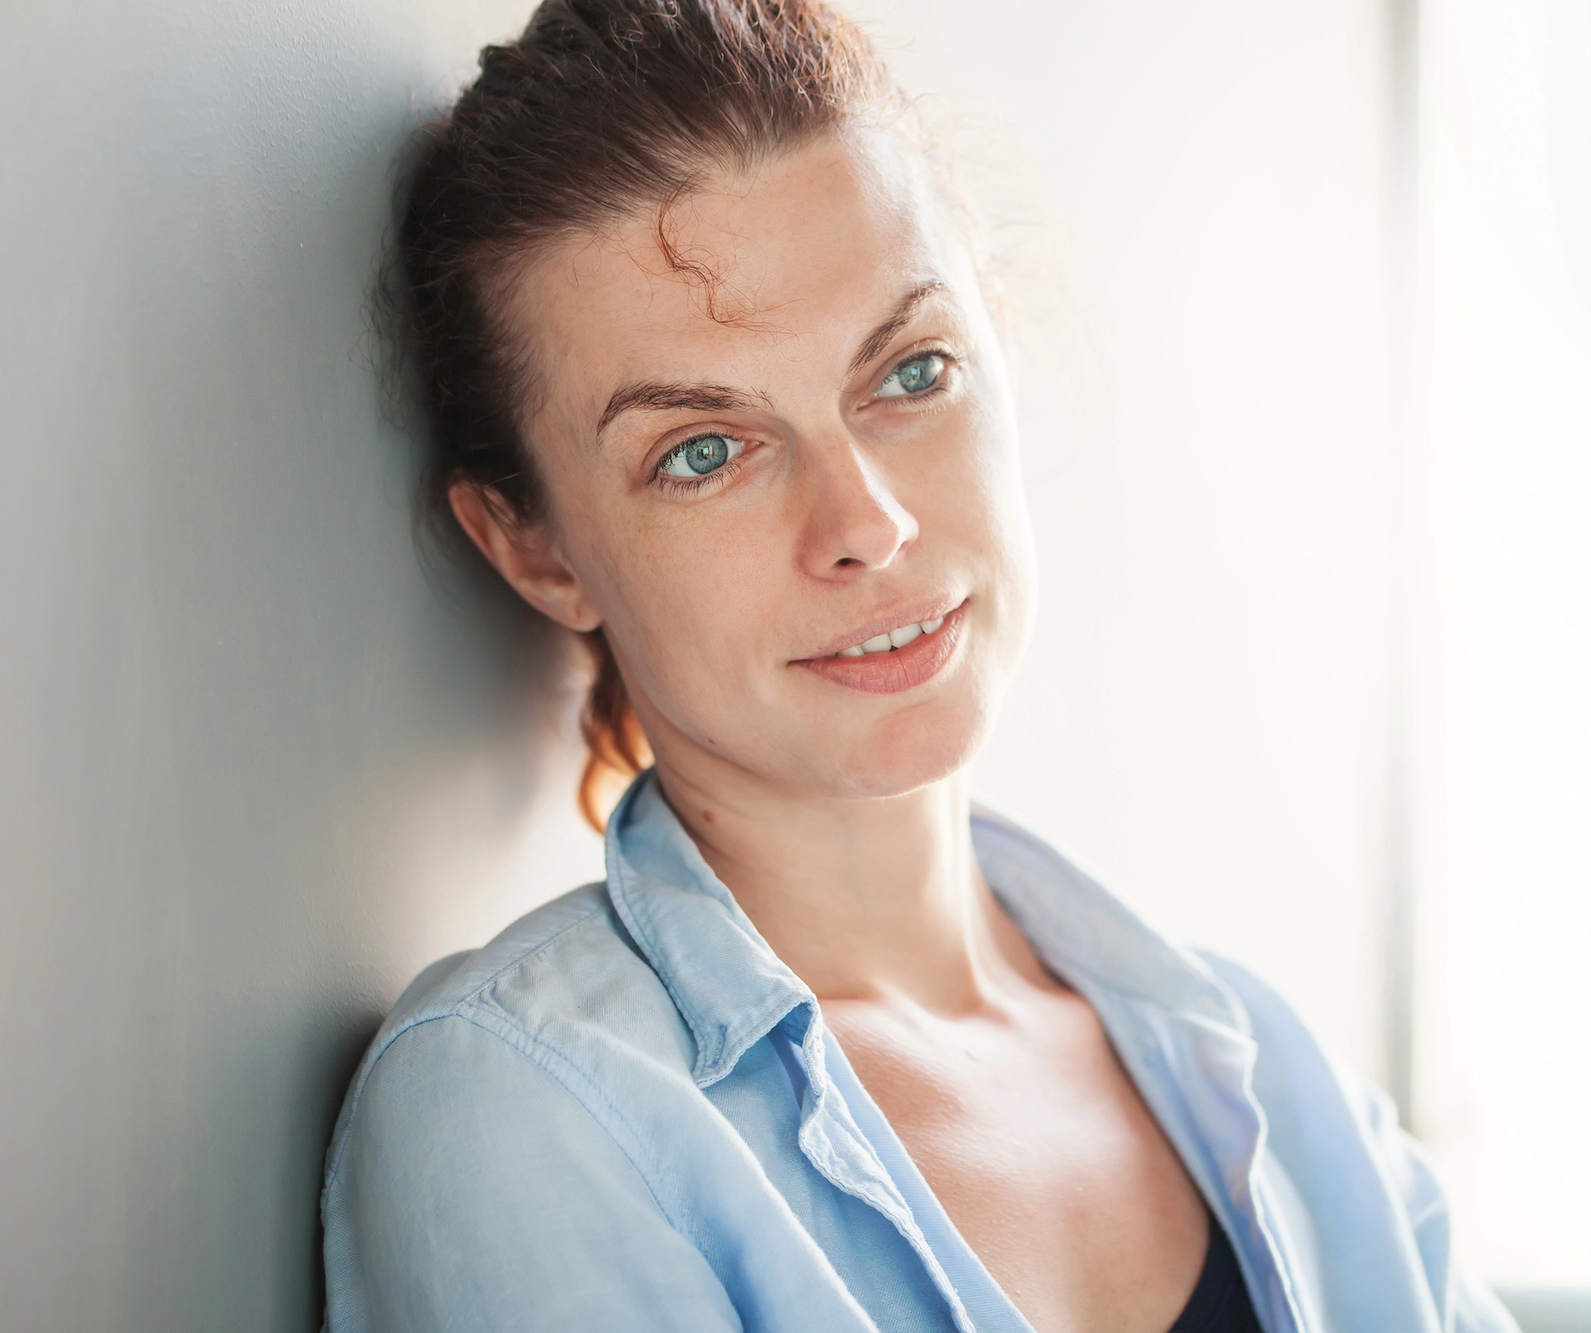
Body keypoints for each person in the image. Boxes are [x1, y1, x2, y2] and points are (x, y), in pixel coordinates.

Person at [320, 2, 1516, 1330]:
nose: (867, 524)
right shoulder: (526, 1107)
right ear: (537, 547)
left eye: (912, 371)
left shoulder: (1270, 1070)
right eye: (704, 451)